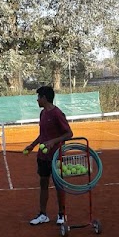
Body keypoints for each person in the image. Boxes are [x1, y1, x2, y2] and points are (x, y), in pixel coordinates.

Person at [23, 86, 73, 226]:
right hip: (43, 157)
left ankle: (61, 214)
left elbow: (69, 134)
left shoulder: (57, 114)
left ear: (45, 98)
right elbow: (42, 134)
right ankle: (43, 214)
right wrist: (32, 145)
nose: (37, 100)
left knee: (59, 186)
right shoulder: (43, 113)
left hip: (56, 156)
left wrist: (53, 142)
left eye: (38, 97)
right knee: (43, 184)